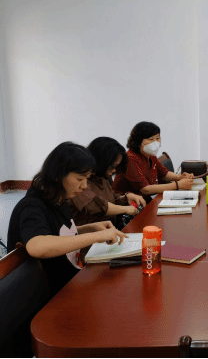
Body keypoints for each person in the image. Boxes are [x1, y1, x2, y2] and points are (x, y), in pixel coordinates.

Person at [7, 142, 128, 297]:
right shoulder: (32, 206)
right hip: (49, 294)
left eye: (87, 179)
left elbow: (57, 233)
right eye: (79, 179)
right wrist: (96, 236)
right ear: (57, 175)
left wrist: (89, 228)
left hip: (71, 279)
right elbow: (37, 246)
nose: (85, 186)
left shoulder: (59, 198)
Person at [70, 137, 146, 230]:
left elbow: (111, 198)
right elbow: (97, 206)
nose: (114, 170)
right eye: (112, 166)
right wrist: (125, 209)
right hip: (91, 235)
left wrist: (126, 198)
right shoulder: (81, 182)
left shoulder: (103, 176)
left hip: (111, 229)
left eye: (116, 167)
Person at [113, 122, 194, 201]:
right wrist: (178, 185)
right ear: (138, 141)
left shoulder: (150, 155)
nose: (155, 142)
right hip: (128, 203)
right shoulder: (130, 159)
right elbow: (146, 189)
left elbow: (165, 174)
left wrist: (180, 177)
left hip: (145, 199)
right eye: (151, 139)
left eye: (157, 138)